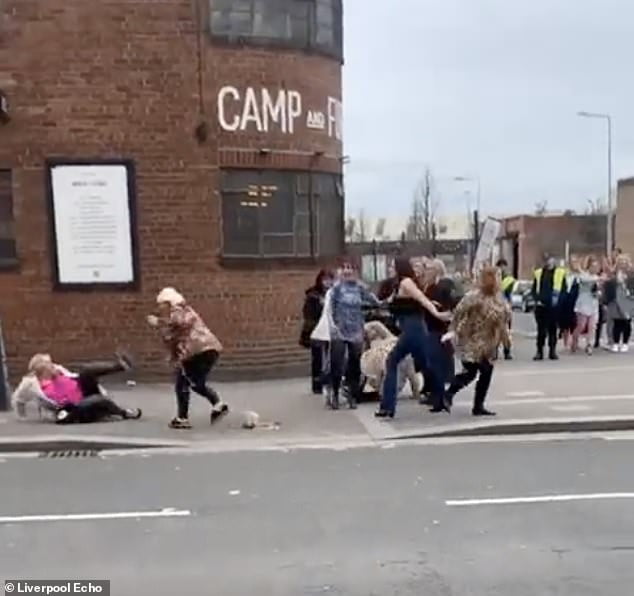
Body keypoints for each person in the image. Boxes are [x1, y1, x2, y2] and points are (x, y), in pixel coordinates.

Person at [375, 256, 451, 418]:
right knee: (426, 365)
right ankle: (441, 399)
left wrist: (436, 312)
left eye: (392, 266)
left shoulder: (406, 283)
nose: (390, 269)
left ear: (399, 267)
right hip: (412, 330)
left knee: (392, 361)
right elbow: (387, 302)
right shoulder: (399, 285)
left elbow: (422, 299)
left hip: (413, 330)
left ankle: (387, 407)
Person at [148, 287, 228, 429]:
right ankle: (218, 405)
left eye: (161, 304)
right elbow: (172, 338)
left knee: (183, 383)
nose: (159, 307)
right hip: (207, 350)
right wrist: (173, 357)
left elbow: (180, 323)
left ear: (168, 302)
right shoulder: (176, 314)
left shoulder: (179, 310)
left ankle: (183, 418)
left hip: (197, 351)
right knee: (195, 383)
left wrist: (158, 322)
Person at [442, 266, 511, 417]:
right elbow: (459, 313)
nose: (499, 281)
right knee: (473, 372)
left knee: (482, 372)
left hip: (488, 343)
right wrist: (453, 330)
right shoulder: (475, 297)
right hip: (471, 341)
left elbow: (503, 321)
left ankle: (474, 404)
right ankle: (451, 396)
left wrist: (506, 341)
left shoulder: (498, 299)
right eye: (497, 277)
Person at [13, 352, 141, 423]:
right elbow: (18, 399)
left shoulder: (59, 372)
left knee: (86, 371)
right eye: (49, 365)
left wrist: (99, 387)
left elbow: (76, 377)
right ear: (41, 369)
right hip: (75, 408)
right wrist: (22, 417)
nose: (54, 366)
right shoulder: (32, 384)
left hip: (84, 394)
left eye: (52, 364)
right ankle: (125, 413)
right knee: (97, 399)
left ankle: (120, 366)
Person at [328, 261, 380, 410]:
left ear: (355, 271)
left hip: (356, 329)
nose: (347, 271)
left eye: (350, 268)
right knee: (336, 362)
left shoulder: (361, 288)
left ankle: (352, 394)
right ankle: (335, 394)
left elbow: (374, 302)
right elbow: (330, 308)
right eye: (344, 268)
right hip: (339, 329)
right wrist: (332, 325)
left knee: (354, 364)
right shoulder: (336, 289)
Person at [419, 258, 459, 404]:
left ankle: (440, 396)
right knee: (433, 363)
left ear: (437, 270)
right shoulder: (429, 285)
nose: (426, 271)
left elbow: (451, 305)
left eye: (429, 268)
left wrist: (440, 309)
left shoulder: (443, 285)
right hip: (431, 327)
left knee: (436, 363)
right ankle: (437, 394)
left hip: (439, 329)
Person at [361, 321, 421, 399]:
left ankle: (385, 391)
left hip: (387, 374)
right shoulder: (394, 342)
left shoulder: (378, 346)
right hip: (392, 372)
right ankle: (415, 393)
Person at [300, 269, 335, 394]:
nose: (327, 283)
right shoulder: (313, 296)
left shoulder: (333, 294)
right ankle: (317, 384)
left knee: (331, 356)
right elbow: (308, 313)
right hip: (317, 329)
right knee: (318, 357)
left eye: (330, 279)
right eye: (325, 280)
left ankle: (329, 380)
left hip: (330, 328)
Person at [531, 254, 568, 360]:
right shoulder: (538, 273)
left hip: (554, 307)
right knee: (541, 331)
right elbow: (534, 289)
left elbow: (564, 290)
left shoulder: (560, 273)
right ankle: (539, 351)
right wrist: (537, 299)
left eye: (551, 260)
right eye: (547, 260)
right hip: (541, 306)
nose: (549, 262)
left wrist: (560, 301)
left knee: (553, 330)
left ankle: (552, 351)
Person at [603, 256, 634, 353]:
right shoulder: (614, 274)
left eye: (625, 261)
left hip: (628, 300)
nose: (623, 263)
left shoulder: (631, 275)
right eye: (621, 262)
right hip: (616, 300)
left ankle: (625, 343)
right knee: (617, 322)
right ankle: (615, 343)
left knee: (627, 322)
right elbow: (607, 286)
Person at [571, 256, 601, 355]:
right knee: (581, 326)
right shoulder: (584, 276)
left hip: (593, 304)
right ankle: (574, 340)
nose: (595, 268)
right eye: (593, 266)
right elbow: (586, 279)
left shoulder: (597, 277)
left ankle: (589, 345)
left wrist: (599, 293)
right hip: (583, 304)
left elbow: (599, 289)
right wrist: (578, 267)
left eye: (596, 266)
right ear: (589, 266)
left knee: (592, 326)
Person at [559, 256, 581, 350]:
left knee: (576, 323)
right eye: (572, 262)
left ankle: (575, 342)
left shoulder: (579, 275)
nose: (574, 264)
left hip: (576, 301)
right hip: (566, 301)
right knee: (565, 324)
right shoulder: (565, 274)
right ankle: (565, 343)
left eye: (576, 262)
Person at [497, 258, 516, 360]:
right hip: (495, 306)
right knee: (495, 331)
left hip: (505, 306)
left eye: (504, 266)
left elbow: (509, 293)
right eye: (501, 266)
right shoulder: (493, 278)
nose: (502, 268)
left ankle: (507, 351)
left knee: (506, 331)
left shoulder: (509, 279)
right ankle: (494, 351)